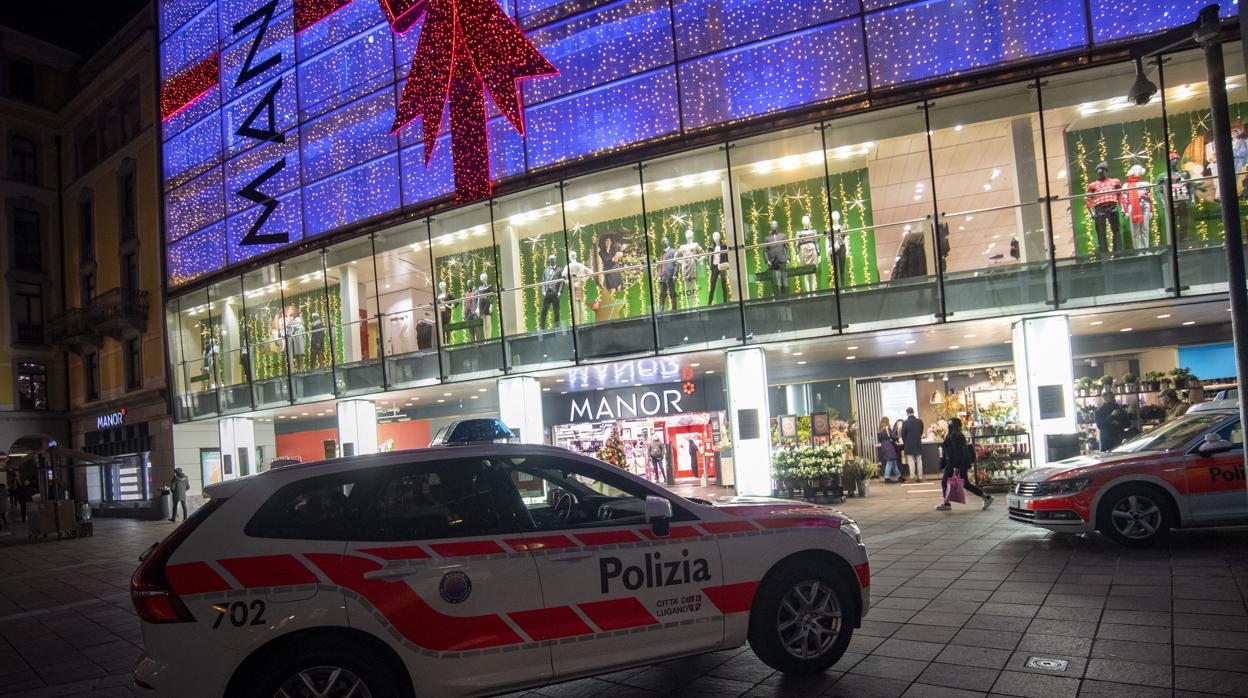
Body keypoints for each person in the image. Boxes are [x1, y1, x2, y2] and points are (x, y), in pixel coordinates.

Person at [936, 418, 992, 511]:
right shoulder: (956, 434)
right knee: (966, 484)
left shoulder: (955, 435)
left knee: (945, 482)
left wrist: (955, 467)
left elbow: (958, 452)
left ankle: (946, 504)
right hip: (959, 463)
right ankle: (986, 497)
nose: (948, 426)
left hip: (955, 464)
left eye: (949, 424)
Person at [899, 407, 925, 482]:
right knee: (919, 460)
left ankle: (912, 476)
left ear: (907, 413)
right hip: (917, 443)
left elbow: (903, 434)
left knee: (911, 461)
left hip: (909, 443)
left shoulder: (905, 422)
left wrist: (905, 441)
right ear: (913, 412)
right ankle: (920, 477)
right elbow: (921, 431)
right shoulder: (919, 421)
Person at [877, 418, 901, 483]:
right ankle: (887, 477)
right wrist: (898, 437)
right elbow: (893, 436)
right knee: (890, 461)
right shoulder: (887, 428)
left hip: (883, 446)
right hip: (889, 445)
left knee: (893, 461)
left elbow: (879, 440)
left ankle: (899, 476)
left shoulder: (879, 429)